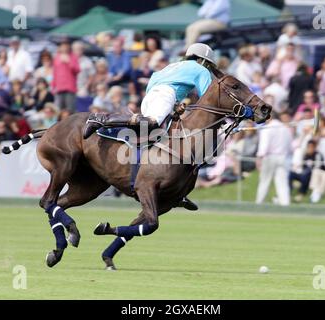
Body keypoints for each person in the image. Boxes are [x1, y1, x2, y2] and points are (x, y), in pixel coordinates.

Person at [83, 43, 219, 211]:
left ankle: (177, 191)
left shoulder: (173, 65)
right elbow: (208, 99)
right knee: (153, 123)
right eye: (207, 63)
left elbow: (155, 82)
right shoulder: (201, 70)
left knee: (166, 139)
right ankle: (102, 118)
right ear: (202, 60)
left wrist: (175, 105)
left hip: (152, 96)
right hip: (165, 96)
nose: (208, 67)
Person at [256, 112, 293, 206]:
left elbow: (264, 146)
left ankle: (259, 203)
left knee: (265, 181)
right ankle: (285, 204)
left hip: (270, 157)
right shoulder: (286, 129)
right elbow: (290, 147)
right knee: (282, 183)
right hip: (284, 157)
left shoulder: (267, 128)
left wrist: (259, 158)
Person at [52, 40, 80, 112]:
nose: (64, 48)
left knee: (70, 110)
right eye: (62, 46)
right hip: (59, 88)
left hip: (69, 88)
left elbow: (77, 70)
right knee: (59, 110)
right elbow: (55, 73)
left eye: (66, 46)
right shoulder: (56, 57)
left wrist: (69, 62)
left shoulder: (73, 57)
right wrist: (53, 86)